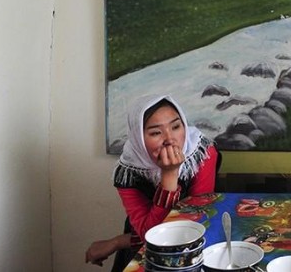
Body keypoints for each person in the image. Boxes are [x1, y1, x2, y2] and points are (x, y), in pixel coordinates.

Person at [85, 94, 219, 270]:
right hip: (145, 246)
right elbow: (150, 236)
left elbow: (197, 223)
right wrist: (169, 175)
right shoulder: (128, 171)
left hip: (190, 247)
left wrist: (117, 242)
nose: (170, 140)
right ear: (139, 138)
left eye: (176, 127)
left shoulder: (200, 153)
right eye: (156, 133)